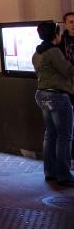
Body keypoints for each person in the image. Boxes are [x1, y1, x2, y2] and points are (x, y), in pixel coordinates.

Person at [32, 21, 74, 186]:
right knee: (64, 136)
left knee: (50, 134)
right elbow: (68, 71)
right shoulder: (53, 52)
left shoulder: (37, 53)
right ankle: (64, 174)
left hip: (42, 94)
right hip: (57, 96)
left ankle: (50, 171)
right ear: (55, 35)